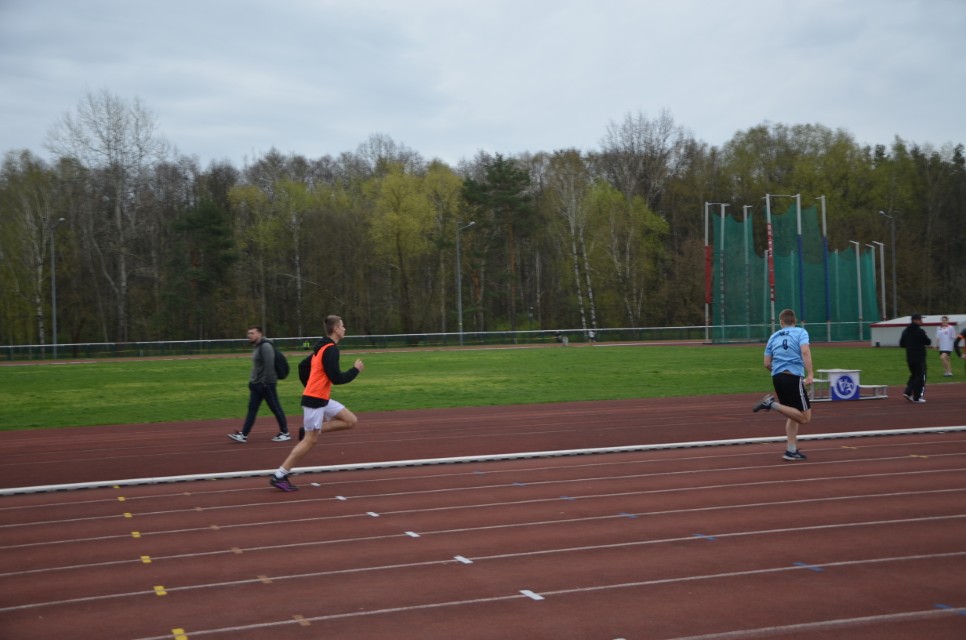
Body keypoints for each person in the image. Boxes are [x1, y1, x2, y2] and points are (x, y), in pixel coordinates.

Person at [269, 315, 365, 491]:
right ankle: (280, 475)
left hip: (321, 398)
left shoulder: (321, 348)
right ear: (335, 329)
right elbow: (336, 378)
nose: (345, 329)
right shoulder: (330, 349)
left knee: (350, 420)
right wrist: (355, 370)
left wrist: (311, 386)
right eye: (342, 326)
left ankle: (310, 430)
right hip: (315, 400)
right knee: (309, 441)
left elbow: (302, 366)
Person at [751, 308, 814, 461]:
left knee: (792, 413)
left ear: (781, 322)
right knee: (805, 418)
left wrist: (778, 371)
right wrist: (810, 374)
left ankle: (790, 451)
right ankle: (771, 404)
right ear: (795, 321)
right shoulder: (800, 332)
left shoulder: (773, 336)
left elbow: (766, 363)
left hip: (777, 377)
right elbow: (805, 351)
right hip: (793, 376)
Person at [228, 326, 290, 443]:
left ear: (260, 334)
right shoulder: (257, 346)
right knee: (252, 409)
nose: (249, 336)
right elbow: (257, 368)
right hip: (257, 385)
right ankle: (244, 435)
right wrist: (252, 382)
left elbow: (269, 366)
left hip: (267, 385)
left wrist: (265, 383)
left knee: (275, 408)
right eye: (248, 333)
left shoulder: (266, 346)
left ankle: (285, 432)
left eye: (252, 333)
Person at [899, 313, 931, 403]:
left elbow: (902, 344)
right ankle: (916, 396)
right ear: (915, 320)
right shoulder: (920, 331)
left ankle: (908, 392)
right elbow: (928, 342)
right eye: (920, 319)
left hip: (909, 357)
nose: (922, 321)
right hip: (919, 358)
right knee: (921, 377)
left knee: (914, 375)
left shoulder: (905, 331)